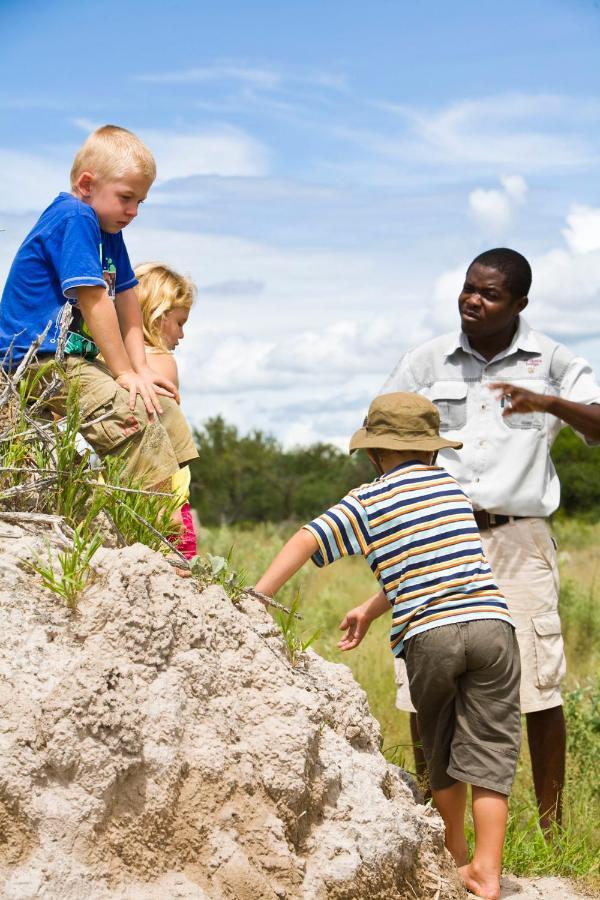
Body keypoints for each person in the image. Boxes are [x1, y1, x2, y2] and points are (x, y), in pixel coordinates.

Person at [254, 392, 521, 900]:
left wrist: (259, 596)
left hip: (431, 635)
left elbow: (308, 538)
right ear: (433, 451)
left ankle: (454, 857)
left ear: (375, 453)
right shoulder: (452, 490)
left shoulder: (369, 498)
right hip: (492, 626)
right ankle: (488, 871)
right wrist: (370, 609)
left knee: (440, 744)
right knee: (489, 751)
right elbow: (434, 562)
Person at [382, 247, 600, 830]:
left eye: (490, 293)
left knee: (537, 682)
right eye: (468, 288)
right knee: (426, 678)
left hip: (518, 541)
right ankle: (432, 827)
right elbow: (382, 440)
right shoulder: (425, 362)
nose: (472, 300)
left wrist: (549, 401)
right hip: (437, 538)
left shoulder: (550, 359)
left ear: (519, 304)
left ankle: (552, 833)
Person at [0, 124, 198, 491]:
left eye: (140, 202)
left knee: (162, 405)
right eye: (126, 198)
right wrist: (123, 373)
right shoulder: (75, 217)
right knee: (132, 414)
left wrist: (140, 369)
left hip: (72, 358)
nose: (134, 210)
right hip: (35, 358)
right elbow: (95, 300)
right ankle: (153, 528)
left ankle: (175, 508)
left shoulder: (110, 233)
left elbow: (126, 300)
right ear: (87, 185)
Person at [135, 261, 198, 561]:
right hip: (164, 500)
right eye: (180, 323)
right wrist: (170, 510)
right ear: (157, 317)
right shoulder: (160, 363)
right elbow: (155, 439)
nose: (181, 336)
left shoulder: (112, 361)